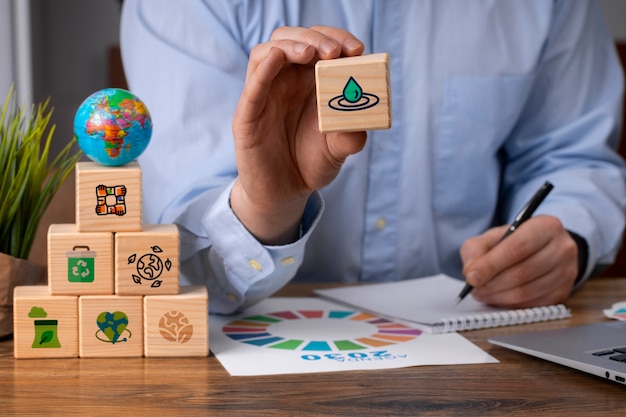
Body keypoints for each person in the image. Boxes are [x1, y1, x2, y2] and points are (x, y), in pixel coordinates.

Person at [120, 0, 626, 314]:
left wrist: (569, 238)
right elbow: (182, 257)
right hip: (253, 346)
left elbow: (572, 157)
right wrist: (265, 209)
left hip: (475, 333)